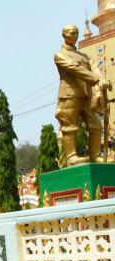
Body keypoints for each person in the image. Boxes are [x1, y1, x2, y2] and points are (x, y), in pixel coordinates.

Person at [55, 24, 110, 166]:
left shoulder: (85, 56)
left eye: (77, 33)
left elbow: (95, 67)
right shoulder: (60, 55)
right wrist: (96, 79)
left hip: (87, 95)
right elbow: (75, 69)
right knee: (70, 127)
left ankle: (95, 155)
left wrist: (102, 78)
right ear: (64, 35)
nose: (75, 36)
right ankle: (71, 157)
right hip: (69, 95)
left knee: (96, 125)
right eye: (72, 33)